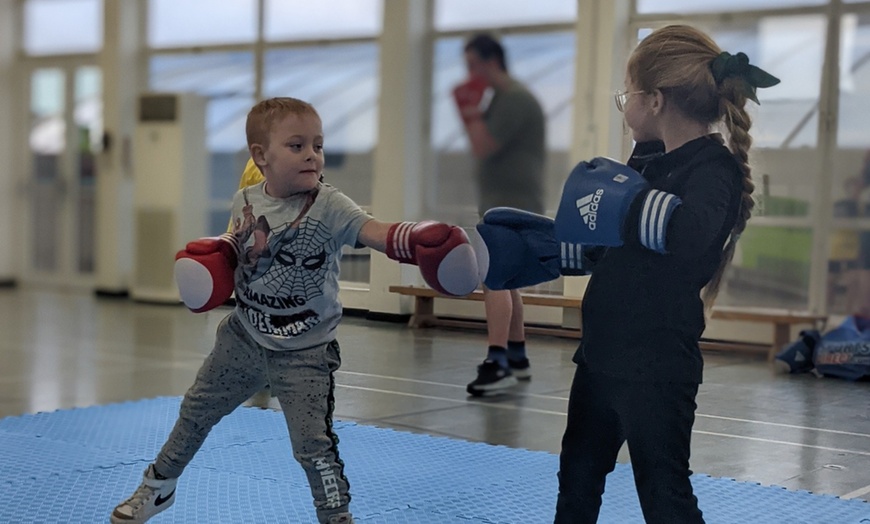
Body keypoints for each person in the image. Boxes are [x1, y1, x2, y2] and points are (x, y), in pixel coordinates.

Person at [109, 97, 479, 524]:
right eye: (297, 145)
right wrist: (213, 257)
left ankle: (336, 516)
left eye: (318, 146)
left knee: (312, 445)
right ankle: (157, 489)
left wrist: (418, 239)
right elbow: (238, 242)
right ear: (261, 156)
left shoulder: (330, 204)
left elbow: (374, 231)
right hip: (243, 338)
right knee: (195, 411)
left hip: (306, 352)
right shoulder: (245, 199)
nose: (312, 155)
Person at [552, 25, 779, 523]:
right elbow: (611, 249)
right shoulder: (646, 161)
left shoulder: (713, 170)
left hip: (657, 367)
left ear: (654, 100)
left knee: (664, 494)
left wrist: (619, 199)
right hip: (600, 356)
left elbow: (686, 239)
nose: (624, 104)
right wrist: (538, 244)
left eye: (626, 94)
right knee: (576, 481)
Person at [453, 33, 547, 396]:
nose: (470, 74)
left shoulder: (514, 100)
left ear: (492, 62)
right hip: (506, 199)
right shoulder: (505, 99)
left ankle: (498, 362)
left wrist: (469, 110)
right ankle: (518, 358)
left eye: (473, 65)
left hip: (509, 202)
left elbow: (483, 145)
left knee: (493, 278)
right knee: (509, 281)